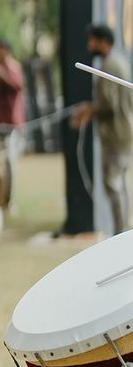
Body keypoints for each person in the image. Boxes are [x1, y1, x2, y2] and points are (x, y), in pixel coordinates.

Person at [71, 24, 133, 235]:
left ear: (103, 42)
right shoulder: (119, 61)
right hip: (123, 134)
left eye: (92, 40)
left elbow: (109, 103)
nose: (89, 45)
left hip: (117, 135)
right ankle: (123, 231)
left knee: (114, 184)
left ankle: (120, 234)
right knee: (120, 184)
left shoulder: (110, 65)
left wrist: (87, 110)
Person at [0, 38, 26, 207]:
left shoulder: (12, 67)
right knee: (1, 163)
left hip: (12, 124)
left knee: (11, 163)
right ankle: (1, 198)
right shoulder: (1, 68)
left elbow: (16, 86)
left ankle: (10, 201)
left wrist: (0, 75)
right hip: (1, 123)